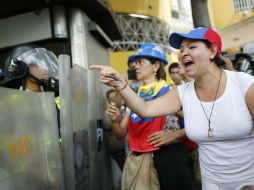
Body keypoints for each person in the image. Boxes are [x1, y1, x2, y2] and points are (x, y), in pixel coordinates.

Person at [90, 27, 254, 190]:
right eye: (181, 49)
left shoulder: (244, 84)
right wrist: (120, 84)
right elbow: (145, 109)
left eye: (191, 47)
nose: (183, 53)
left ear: (212, 51)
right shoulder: (182, 93)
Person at [106, 43, 192, 190]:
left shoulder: (170, 92)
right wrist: (115, 121)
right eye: (135, 63)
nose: (136, 67)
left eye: (140, 62)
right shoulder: (135, 96)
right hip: (141, 159)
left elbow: (198, 121)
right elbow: (120, 133)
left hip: (169, 159)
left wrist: (175, 135)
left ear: (156, 66)